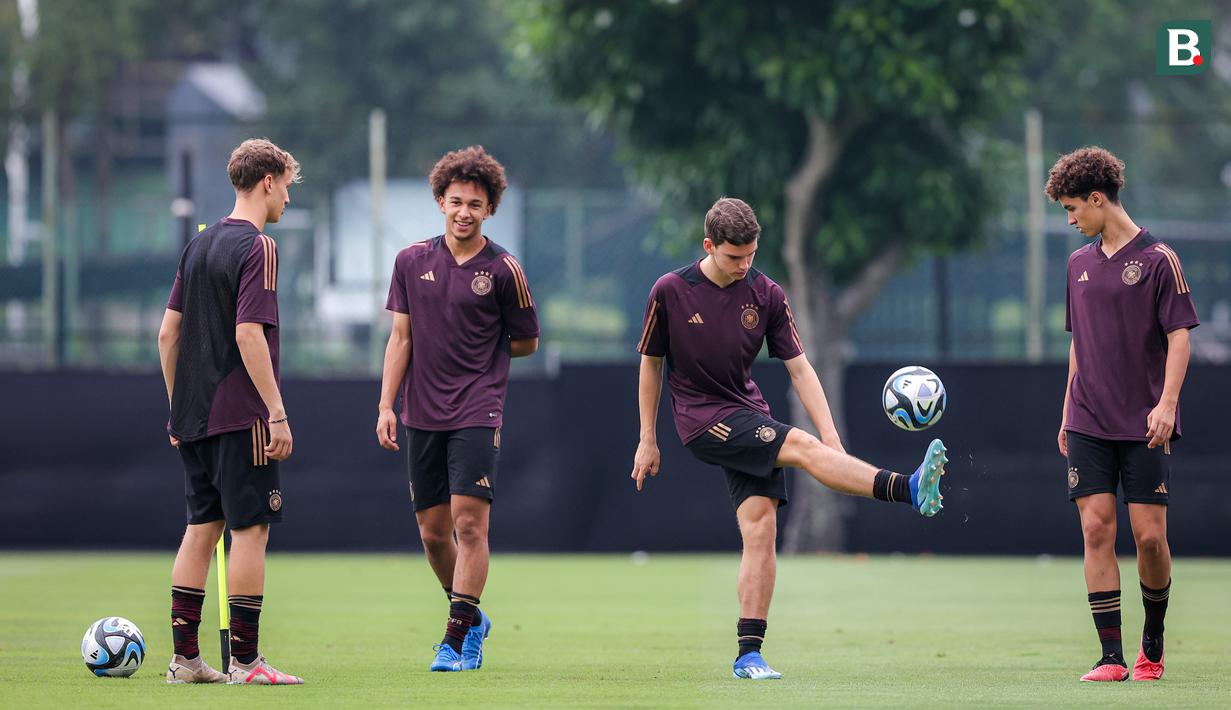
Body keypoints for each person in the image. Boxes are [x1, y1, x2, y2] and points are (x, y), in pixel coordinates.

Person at [630, 197, 948, 680]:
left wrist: (832, 437)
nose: (744, 265)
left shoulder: (767, 294)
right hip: (700, 421)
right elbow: (651, 363)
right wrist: (646, 439)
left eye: (752, 254)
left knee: (761, 530)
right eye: (734, 257)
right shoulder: (670, 290)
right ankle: (907, 487)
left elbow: (800, 369)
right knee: (799, 447)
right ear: (708, 245)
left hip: (747, 411)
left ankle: (748, 654)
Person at [375, 145, 539, 672]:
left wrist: (482, 355)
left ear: (490, 208)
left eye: (475, 203)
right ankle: (471, 616)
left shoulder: (505, 269)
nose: (464, 211)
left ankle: (455, 640)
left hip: (477, 409)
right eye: (455, 201)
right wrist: (386, 405)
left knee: (470, 528)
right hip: (420, 411)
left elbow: (527, 341)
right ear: (440, 202)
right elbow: (399, 339)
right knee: (431, 532)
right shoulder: (410, 261)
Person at [1047, 146, 1198, 683]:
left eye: (1072, 209)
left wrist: (1167, 403)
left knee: (1150, 537)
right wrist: (1067, 410)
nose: (1069, 220)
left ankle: (1151, 640)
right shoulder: (1078, 265)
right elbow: (1078, 346)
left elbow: (1179, 336)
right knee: (1094, 528)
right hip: (1088, 417)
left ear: (1096, 198)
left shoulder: (1159, 260)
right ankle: (1111, 655)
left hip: (1143, 421)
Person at [157, 138, 303, 685]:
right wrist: (277, 413)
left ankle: (186, 662)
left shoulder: (197, 246)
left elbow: (167, 334)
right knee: (251, 531)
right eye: (286, 185)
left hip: (192, 415)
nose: (287, 197)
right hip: (242, 416)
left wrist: (178, 409)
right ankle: (246, 663)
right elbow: (249, 333)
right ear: (267, 180)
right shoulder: (258, 247)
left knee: (201, 530)